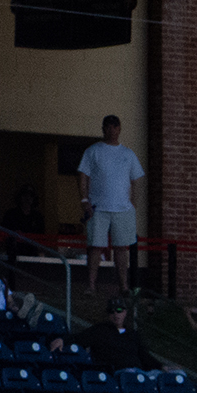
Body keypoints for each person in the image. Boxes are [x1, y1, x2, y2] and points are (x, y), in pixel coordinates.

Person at [78, 115, 146, 296]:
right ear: (103, 129)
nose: (112, 130)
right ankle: (91, 285)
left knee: (121, 248)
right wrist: (84, 200)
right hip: (98, 208)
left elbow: (137, 179)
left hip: (122, 209)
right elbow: (83, 175)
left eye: (115, 126)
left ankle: (123, 286)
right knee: (95, 247)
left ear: (120, 129)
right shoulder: (93, 151)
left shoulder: (128, 154)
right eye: (108, 126)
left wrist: (133, 203)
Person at [52, 296, 155, 370]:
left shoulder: (133, 334)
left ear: (125, 312)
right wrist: (63, 340)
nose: (115, 314)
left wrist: (160, 366)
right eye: (111, 311)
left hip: (138, 372)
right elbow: (80, 338)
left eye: (119, 310)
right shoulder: (100, 330)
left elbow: (144, 356)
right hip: (117, 373)